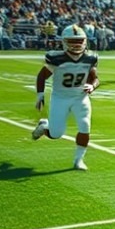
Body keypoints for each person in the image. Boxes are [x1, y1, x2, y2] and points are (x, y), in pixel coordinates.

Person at [31, 25, 100, 171]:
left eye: (79, 40)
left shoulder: (90, 58)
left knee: (85, 126)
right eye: (72, 41)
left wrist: (92, 86)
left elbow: (95, 79)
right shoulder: (57, 58)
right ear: (64, 41)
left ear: (85, 41)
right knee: (56, 134)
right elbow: (42, 76)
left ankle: (78, 160)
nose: (76, 44)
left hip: (80, 98)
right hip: (60, 98)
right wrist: (40, 95)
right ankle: (44, 127)